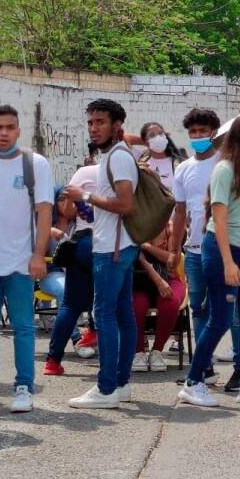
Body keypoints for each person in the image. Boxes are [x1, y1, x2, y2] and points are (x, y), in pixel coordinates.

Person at [177, 114, 240, 408]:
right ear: (236, 139)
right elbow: (219, 218)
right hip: (224, 250)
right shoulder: (224, 170)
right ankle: (193, 381)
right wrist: (227, 261)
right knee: (220, 318)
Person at [0, 105, 54, 415]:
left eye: (10, 127)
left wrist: (38, 255)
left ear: (19, 130)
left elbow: (44, 212)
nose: (4, 133)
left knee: (23, 328)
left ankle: (23, 388)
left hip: (20, 262)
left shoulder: (35, 164)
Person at [62, 99, 139, 409]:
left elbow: (125, 205)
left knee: (105, 314)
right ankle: (120, 384)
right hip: (119, 245)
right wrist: (88, 204)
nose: (94, 128)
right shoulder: (115, 156)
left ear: (117, 125)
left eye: (101, 122)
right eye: (91, 122)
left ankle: (106, 388)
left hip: (113, 249)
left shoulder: (118, 158)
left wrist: (84, 195)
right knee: (121, 314)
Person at [170, 107, 224, 386]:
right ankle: (204, 367)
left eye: (203, 131)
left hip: (221, 248)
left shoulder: (223, 164)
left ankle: (239, 366)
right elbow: (179, 212)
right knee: (199, 309)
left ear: (213, 133)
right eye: (193, 132)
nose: (198, 136)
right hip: (192, 251)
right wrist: (172, 248)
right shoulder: (183, 168)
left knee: (223, 309)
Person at [43, 180, 98, 375]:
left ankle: (89, 333)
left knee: (87, 295)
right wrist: (50, 234)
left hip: (78, 267)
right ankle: (77, 339)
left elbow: (92, 215)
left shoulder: (80, 221)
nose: (69, 205)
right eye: (63, 200)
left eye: (72, 200)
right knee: (66, 293)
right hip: (52, 272)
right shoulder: (45, 223)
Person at [132, 224, 186, 373]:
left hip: (171, 278)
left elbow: (171, 260)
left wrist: (147, 247)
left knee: (170, 302)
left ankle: (157, 351)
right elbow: (136, 255)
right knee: (137, 305)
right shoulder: (134, 225)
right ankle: (139, 352)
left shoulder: (171, 228)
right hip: (140, 279)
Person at [137, 121, 178, 189]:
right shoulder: (142, 164)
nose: (158, 137)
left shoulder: (178, 163)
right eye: (152, 135)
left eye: (160, 133)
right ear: (146, 142)